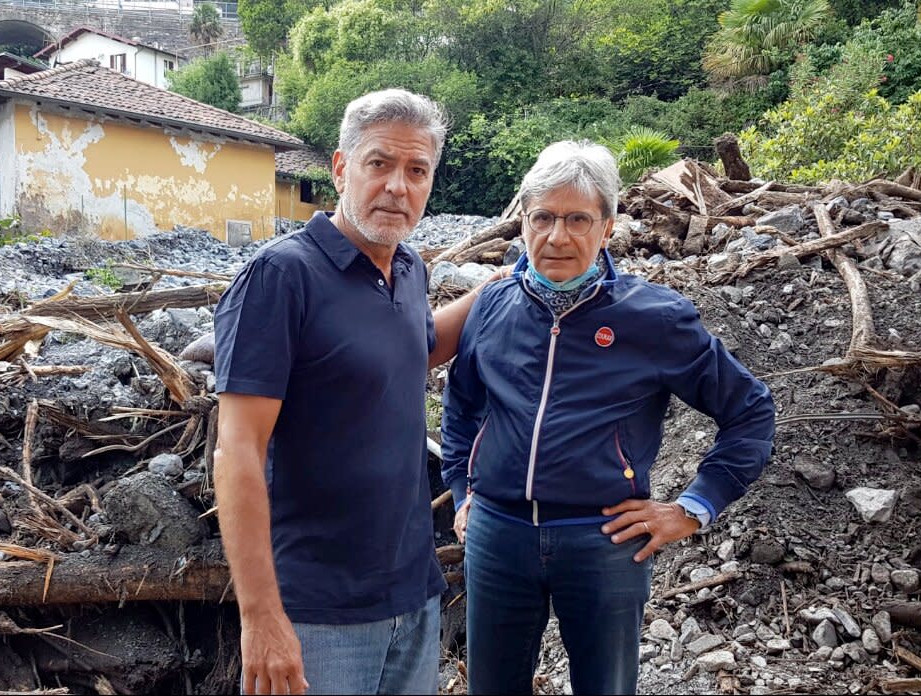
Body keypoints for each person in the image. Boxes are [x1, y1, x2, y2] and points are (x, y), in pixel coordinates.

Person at [440, 140, 776, 695]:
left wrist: (693, 508)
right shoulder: (492, 306)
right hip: (497, 537)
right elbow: (461, 405)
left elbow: (750, 411)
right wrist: (460, 486)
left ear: (608, 227)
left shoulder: (654, 319)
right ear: (522, 220)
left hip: (603, 541)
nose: (557, 236)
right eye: (543, 217)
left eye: (578, 219)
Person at [213, 89, 499, 696]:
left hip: (412, 596)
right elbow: (235, 449)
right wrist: (261, 618)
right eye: (380, 164)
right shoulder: (281, 277)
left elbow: (414, 349)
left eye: (416, 170)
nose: (398, 186)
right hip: (316, 614)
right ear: (341, 167)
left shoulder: (408, 269)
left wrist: (499, 287)